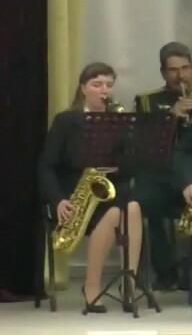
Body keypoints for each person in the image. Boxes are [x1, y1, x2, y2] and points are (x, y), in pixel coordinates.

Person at [39, 63, 145, 312]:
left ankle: (129, 285)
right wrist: (58, 200)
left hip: (110, 192)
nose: (103, 90)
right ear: (83, 88)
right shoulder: (66, 121)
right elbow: (46, 165)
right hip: (74, 196)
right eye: (97, 84)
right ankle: (92, 287)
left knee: (132, 208)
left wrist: (123, 159)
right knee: (116, 212)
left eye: (108, 85)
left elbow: (132, 167)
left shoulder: (118, 121)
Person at [132, 42, 192, 291]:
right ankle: (165, 272)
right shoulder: (148, 101)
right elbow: (145, 146)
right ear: (163, 72)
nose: (180, 75)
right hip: (161, 175)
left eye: (185, 68)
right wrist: (170, 118)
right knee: (144, 200)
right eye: (173, 70)